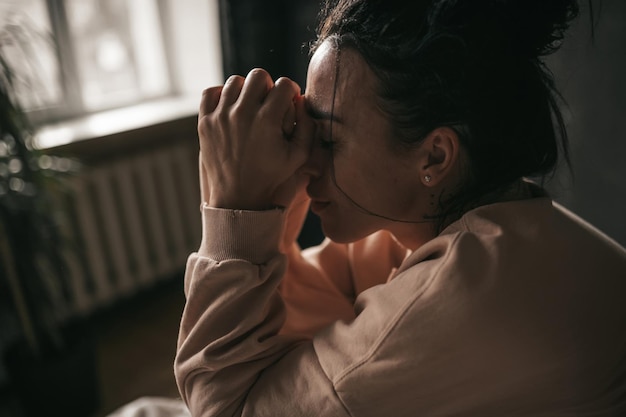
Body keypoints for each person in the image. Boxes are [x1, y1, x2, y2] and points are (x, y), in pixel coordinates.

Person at [174, 0, 626, 415]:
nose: (308, 159)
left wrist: (235, 206)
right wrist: (263, 190)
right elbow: (320, 302)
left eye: (328, 139)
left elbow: (224, 407)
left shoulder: (459, 293)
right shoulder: (494, 218)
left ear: (434, 156)